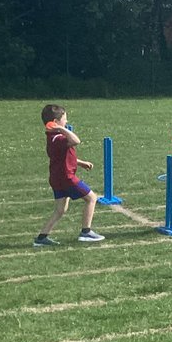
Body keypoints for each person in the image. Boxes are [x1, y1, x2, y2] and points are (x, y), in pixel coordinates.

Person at [35, 104, 103, 246]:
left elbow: (62, 158)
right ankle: (86, 232)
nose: (66, 122)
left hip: (57, 178)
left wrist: (81, 162)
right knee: (91, 198)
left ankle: (41, 238)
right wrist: (61, 129)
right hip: (66, 177)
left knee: (60, 210)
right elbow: (76, 141)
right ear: (55, 122)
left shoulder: (51, 138)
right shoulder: (58, 137)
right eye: (64, 119)